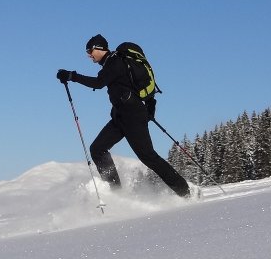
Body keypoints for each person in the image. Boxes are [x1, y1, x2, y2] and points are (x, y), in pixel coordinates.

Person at [57, 34, 194, 198]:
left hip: (133, 116)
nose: (88, 55)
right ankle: (116, 193)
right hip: (120, 116)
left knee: (148, 156)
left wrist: (72, 76)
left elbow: (98, 83)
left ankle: (184, 191)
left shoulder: (114, 62)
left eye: (90, 50)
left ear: (99, 48)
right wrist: (150, 107)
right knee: (98, 149)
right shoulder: (110, 63)